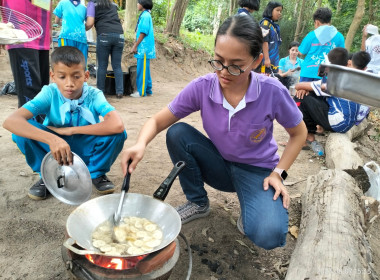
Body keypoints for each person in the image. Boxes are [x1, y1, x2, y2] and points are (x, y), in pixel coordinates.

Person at [121, 15, 307, 250]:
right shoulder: (203, 86)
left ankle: (251, 207)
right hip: (219, 164)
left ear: (256, 60)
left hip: (258, 173)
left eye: (236, 65)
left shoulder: (271, 91)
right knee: (177, 133)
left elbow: (299, 133)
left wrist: (279, 173)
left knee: (267, 234)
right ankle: (198, 202)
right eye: (218, 61)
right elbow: (158, 120)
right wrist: (140, 144)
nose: (224, 72)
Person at [2, 46, 127, 200]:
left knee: (118, 134)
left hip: (84, 146)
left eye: (76, 76)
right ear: (53, 76)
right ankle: (47, 174)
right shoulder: (49, 93)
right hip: (53, 150)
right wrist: (53, 139)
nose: (69, 84)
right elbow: (11, 121)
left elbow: (117, 124)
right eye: (62, 77)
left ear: (86, 76)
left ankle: (95, 173)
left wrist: (71, 131)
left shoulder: (94, 95)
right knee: (20, 133)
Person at [294, 48, 370, 150]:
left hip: (339, 124)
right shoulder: (350, 77)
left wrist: (304, 88)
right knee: (312, 94)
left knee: (302, 97)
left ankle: (306, 137)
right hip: (348, 122)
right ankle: (315, 131)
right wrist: (307, 89)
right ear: (347, 62)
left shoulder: (334, 80)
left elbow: (298, 85)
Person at [0, 0, 51, 124]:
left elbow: (47, 4)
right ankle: (29, 135)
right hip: (20, 36)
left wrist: (49, 31)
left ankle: (41, 130)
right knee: (30, 92)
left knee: (43, 90)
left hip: (42, 36)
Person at [86, 0, 125, 99]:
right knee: (117, 65)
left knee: (102, 65)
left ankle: (100, 91)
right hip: (119, 35)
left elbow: (90, 23)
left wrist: (82, 28)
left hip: (104, 35)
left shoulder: (92, 4)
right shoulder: (112, 4)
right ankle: (120, 91)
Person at [298, 7, 345, 82]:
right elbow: (342, 56)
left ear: (316, 22)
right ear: (330, 21)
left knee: (303, 93)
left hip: (308, 72)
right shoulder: (339, 36)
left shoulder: (311, 35)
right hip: (328, 74)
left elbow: (301, 52)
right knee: (324, 93)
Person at [130, 0, 156, 98]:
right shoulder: (145, 15)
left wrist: (135, 46)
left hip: (143, 48)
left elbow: (143, 32)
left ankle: (141, 92)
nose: (137, 4)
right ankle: (148, 89)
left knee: (142, 70)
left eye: (138, 3)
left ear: (143, 4)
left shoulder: (145, 16)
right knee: (146, 69)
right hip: (143, 47)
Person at [53, 0, 88, 66]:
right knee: (81, 64)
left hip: (66, 36)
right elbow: (88, 23)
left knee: (64, 63)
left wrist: (62, 24)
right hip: (81, 38)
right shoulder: (84, 8)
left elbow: (56, 21)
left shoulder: (62, 3)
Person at [259, 1, 283, 74]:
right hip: (266, 60)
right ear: (270, 10)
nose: (279, 13)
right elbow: (264, 41)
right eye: (277, 10)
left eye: (280, 11)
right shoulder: (265, 24)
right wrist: (266, 59)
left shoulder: (273, 26)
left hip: (273, 59)